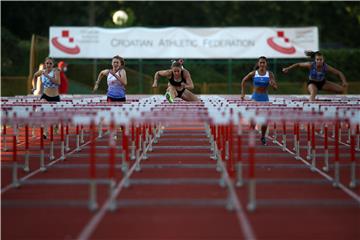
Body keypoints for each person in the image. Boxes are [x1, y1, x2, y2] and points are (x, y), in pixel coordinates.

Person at [282, 50, 348, 101]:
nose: (319, 61)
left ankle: (335, 103)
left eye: (321, 60)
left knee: (341, 90)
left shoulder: (326, 66)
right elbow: (298, 64)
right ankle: (311, 108)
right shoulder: (310, 65)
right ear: (315, 60)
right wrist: (287, 68)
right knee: (313, 93)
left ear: (323, 60)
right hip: (312, 83)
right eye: (317, 60)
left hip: (323, 83)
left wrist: (344, 81)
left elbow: (339, 73)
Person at [241, 56, 278, 145]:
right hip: (255, 97)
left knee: (265, 121)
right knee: (253, 120)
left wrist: (273, 85)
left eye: (263, 62)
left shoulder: (270, 74)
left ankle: (263, 137)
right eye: (260, 62)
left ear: (266, 64)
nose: (262, 64)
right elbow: (243, 81)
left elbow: (276, 88)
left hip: (265, 98)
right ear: (258, 64)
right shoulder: (254, 73)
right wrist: (242, 93)